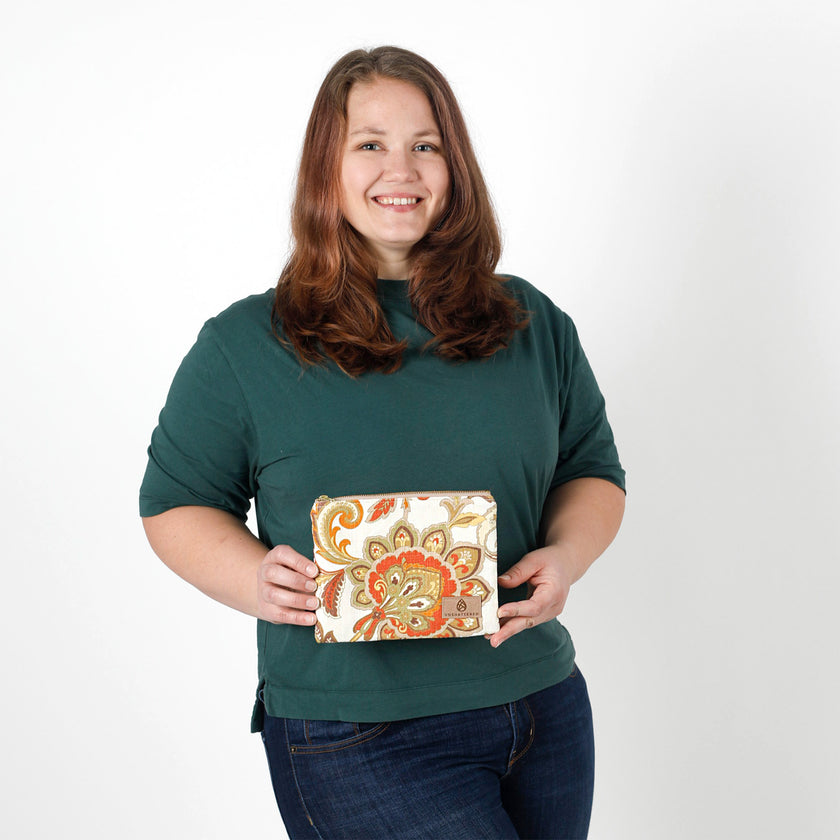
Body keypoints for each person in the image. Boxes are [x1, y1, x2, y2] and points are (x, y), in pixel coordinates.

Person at [140, 45, 625, 840]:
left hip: (544, 708)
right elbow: (173, 504)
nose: (400, 168)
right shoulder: (243, 345)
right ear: (325, 169)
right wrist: (252, 577)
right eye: (369, 143)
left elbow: (592, 470)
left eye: (425, 145)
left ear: (453, 167)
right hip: (356, 736)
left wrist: (567, 556)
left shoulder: (532, 323)